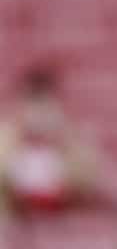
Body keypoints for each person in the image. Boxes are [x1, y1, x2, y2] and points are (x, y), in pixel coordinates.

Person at [0, 68, 100, 217]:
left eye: (43, 99)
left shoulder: (70, 136)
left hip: (58, 187)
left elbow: (87, 173)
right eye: (33, 98)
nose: (38, 110)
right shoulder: (8, 133)